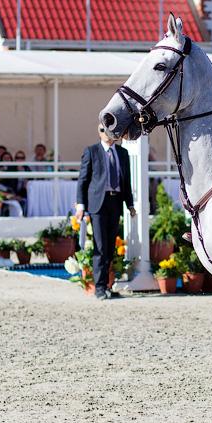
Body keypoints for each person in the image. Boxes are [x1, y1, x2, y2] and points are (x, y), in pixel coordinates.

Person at [76, 125, 136, 300]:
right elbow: (83, 180)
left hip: (115, 202)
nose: (106, 134)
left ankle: (108, 286)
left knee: (110, 247)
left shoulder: (122, 153)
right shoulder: (92, 151)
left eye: (108, 130)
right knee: (101, 247)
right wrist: (81, 205)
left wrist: (130, 204)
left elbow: (126, 181)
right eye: (102, 130)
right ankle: (100, 287)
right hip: (98, 205)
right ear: (98, 132)